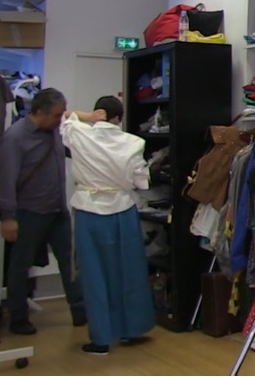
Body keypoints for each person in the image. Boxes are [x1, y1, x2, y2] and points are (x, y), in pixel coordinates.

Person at [59, 95, 156, 355]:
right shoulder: (134, 142)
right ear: (120, 118)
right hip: (123, 210)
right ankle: (131, 329)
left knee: (94, 275)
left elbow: (64, 116)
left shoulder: (79, 133)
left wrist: (87, 117)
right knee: (129, 270)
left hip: (89, 210)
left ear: (97, 114)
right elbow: (141, 181)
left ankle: (101, 339)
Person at [0, 88, 86, 335]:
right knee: (20, 266)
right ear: (40, 113)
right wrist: (8, 217)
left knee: (70, 261)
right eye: (56, 115)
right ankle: (18, 318)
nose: (60, 119)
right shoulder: (15, 138)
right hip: (29, 212)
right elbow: (6, 180)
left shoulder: (54, 130)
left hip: (57, 210)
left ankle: (79, 310)